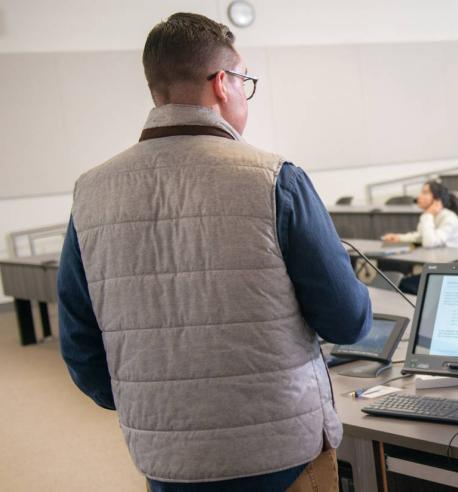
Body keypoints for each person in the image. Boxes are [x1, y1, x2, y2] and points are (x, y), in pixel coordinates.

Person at [57, 13, 371, 491]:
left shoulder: (91, 191)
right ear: (223, 83)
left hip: (165, 460)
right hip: (280, 451)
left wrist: (155, 405)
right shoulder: (275, 179)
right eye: (245, 80)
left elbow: (80, 344)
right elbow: (347, 321)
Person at [382, 180, 458, 248]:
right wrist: (399, 238)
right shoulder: (431, 215)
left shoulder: (449, 218)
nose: (419, 196)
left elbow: (429, 242)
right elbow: (422, 236)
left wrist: (428, 215)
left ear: (437, 199)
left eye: (425, 193)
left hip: (453, 265)